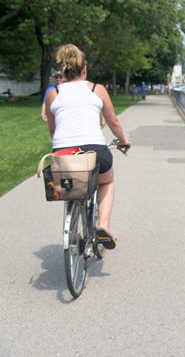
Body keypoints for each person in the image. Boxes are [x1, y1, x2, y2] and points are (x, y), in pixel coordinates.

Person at [45, 44, 131, 249]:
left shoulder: (53, 93)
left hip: (64, 153)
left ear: (64, 71)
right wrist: (122, 141)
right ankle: (103, 226)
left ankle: (72, 233)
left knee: (70, 185)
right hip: (95, 152)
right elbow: (113, 123)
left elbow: (53, 129)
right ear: (85, 69)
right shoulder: (97, 90)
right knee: (106, 182)